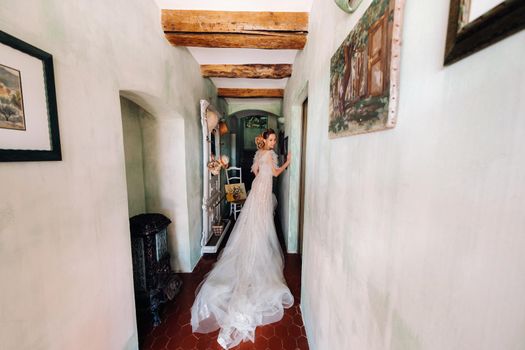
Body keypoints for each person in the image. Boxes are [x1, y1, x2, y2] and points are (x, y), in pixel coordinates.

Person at [191, 128, 293, 349]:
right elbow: (274, 174)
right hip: (264, 191)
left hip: (257, 189)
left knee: (252, 221)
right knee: (263, 221)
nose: (274, 142)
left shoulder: (259, 154)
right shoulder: (272, 155)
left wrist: (262, 179)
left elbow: (255, 171)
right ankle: (260, 247)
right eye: (272, 139)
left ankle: (254, 244)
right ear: (265, 140)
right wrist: (288, 162)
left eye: (275, 140)